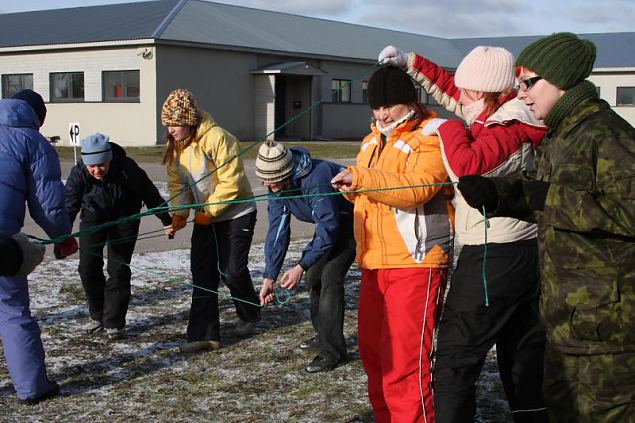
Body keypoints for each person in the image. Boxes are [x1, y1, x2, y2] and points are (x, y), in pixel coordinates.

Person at [457, 32, 635, 422]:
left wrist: (544, 197)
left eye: (528, 82)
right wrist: (500, 194)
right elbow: (549, 201)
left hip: (607, 332)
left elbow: (625, 211)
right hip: (566, 321)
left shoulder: (607, 136)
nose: (521, 94)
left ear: (561, 80)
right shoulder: (561, 136)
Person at [379, 46, 549, 421]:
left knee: (456, 356)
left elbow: (469, 165)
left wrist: (448, 128)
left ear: (488, 91)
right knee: (520, 349)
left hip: (495, 253)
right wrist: (411, 62)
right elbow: (450, 90)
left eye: (469, 90)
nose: (462, 98)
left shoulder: (510, 124)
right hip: (516, 249)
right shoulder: (493, 111)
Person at [331, 65, 454, 423]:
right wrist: (352, 188)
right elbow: (372, 193)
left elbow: (417, 189)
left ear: (410, 102)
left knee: (405, 363)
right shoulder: (371, 141)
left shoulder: (431, 135)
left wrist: (364, 179)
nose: (382, 113)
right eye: (376, 107)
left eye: (390, 106)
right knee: (374, 357)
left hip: (416, 263)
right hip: (374, 262)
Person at [161, 89, 260, 354]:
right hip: (206, 217)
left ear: (190, 120)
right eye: (167, 123)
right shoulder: (176, 148)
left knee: (231, 271)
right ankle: (205, 335)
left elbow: (233, 181)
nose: (171, 128)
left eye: (175, 123)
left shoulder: (218, 138)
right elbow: (178, 186)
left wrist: (210, 211)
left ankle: (249, 312)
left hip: (237, 213)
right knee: (202, 273)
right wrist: (180, 214)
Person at [0, 96, 77, 404]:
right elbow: (49, 205)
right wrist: (62, 238)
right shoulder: (32, 142)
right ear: (37, 118)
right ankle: (32, 386)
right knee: (12, 312)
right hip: (2, 243)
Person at [256, 141, 356, 373]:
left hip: (353, 220)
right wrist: (269, 276)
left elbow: (329, 226)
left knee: (330, 277)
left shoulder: (317, 177)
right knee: (314, 278)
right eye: (263, 178)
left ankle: (334, 352)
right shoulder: (278, 189)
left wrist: (300, 265)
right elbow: (277, 231)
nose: (265, 184)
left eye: (270, 179)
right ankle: (323, 335)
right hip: (330, 225)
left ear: (284, 173)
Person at [64, 133, 173, 338]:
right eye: (92, 166)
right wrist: (61, 236)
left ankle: (113, 321)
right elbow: (69, 205)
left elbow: (150, 194)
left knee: (118, 268)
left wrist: (166, 220)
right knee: (87, 267)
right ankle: (98, 315)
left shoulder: (126, 168)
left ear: (109, 159)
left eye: (102, 165)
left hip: (125, 219)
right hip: (93, 218)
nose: (97, 170)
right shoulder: (79, 173)